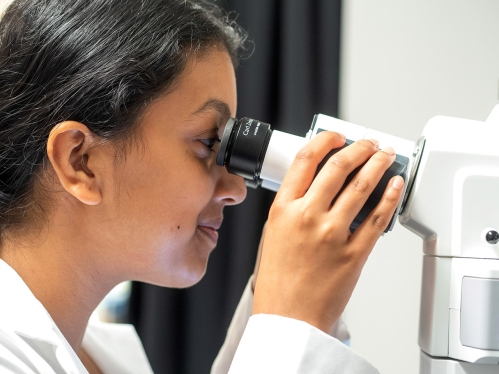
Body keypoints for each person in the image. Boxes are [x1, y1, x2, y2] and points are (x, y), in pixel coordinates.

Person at [0, 0, 404, 373]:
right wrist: (292, 323)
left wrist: (282, 295)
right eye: (209, 143)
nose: (237, 188)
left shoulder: (104, 352)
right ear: (80, 162)